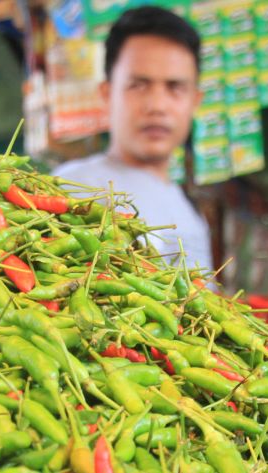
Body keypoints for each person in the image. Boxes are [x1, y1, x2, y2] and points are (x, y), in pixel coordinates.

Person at [54, 6, 211, 274]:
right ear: (106, 94)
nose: (157, 105)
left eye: (175, 88)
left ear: (194, 101)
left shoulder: (190, 210)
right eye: (138, 85)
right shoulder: (75, 187)